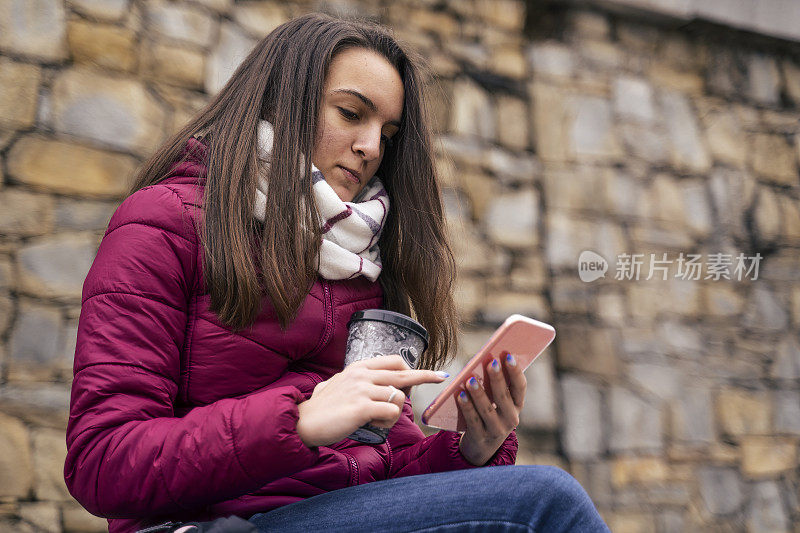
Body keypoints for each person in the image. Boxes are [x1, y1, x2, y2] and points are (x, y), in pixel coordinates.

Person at [64, 13, 610, 533]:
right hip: (213, 524)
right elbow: (102, 460)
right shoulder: (162, 223)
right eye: (351, 114)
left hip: (336, 514)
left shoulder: (364, 260)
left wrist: (468, 450)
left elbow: (375, 467)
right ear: (282, 102)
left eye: (387, 133)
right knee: (545, 503)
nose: (371, 147)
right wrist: (296, 420)